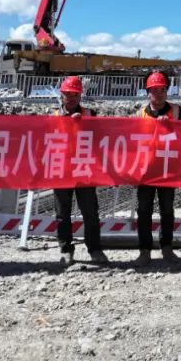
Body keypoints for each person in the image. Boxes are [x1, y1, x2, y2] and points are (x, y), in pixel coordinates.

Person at [52, 76, 108, 266]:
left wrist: (82, 123)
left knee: (90, 212)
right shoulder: (53, 116)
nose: (72, 98)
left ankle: (95, 249)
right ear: (62, 95)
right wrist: (67, 121)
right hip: (62, 170)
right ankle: (66, 250)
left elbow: (101, 137)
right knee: (62, 214)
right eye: (68, 94)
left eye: (76, 94)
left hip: (84, 170)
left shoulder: (90, 114)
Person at [136, 71, 181, 267]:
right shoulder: (140, 114)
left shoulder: (177, 111)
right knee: (144, 211)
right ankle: (145, 250)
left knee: (167, 210)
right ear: (148, 93)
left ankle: (167, 247)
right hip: (147, 170)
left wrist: (171, 127)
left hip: (168, 169)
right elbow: (134, 143)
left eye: (162, 90)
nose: (159, 94)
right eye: (154, 91)